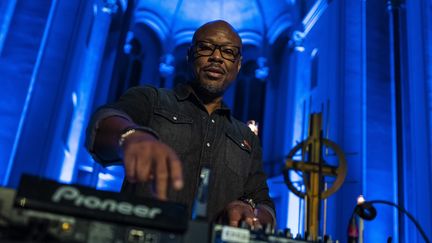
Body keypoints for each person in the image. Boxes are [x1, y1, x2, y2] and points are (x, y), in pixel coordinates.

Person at [85, 20, 275, 229]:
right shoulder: (151, 99)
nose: (217, 57)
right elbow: (104, 122)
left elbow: (263, 204)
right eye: (205, 47)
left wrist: (251, 212)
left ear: (238, 65)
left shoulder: (247, 138)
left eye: (228, 52)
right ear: (190, 55)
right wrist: (130, 136)